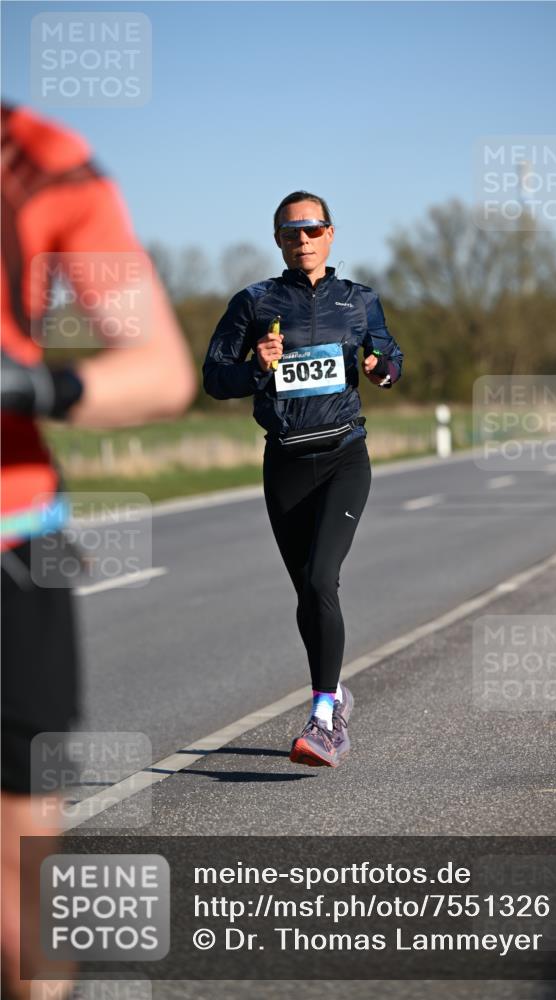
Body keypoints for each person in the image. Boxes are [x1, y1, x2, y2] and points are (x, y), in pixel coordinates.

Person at [1, 103, 196, 1000]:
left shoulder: (40, 166)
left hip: (7, 547)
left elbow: (160, 369)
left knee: (16, 909)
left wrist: (32, 384)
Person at [204, 190, 403, 768]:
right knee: (309, 592)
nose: (303, 240)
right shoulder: (253, 302)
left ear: (331, 234)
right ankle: (334, 689)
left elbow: (392, 360)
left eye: (313, 229)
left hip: (344, 456)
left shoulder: (359, 301)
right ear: (278, 241)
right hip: (286, 461)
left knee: (321, 577)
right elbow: (215, 378)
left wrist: (380, 367)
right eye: (292, 232)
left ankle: (322, 720)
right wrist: (254, 366)